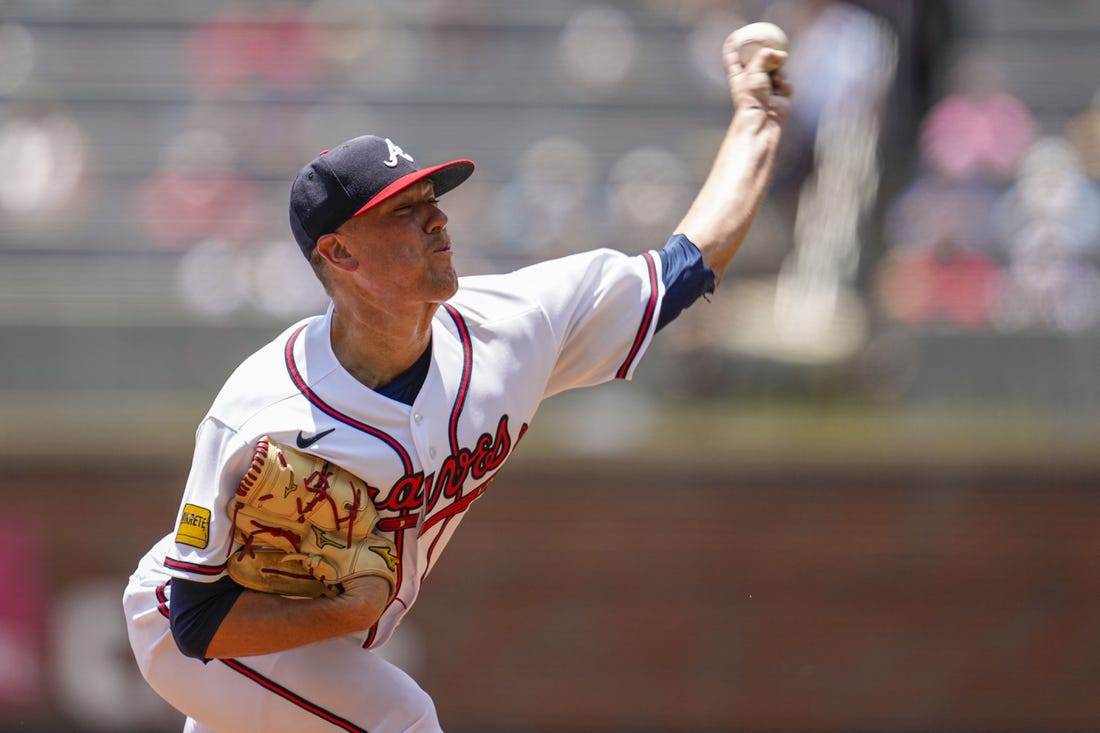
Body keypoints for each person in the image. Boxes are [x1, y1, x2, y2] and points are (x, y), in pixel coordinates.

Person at [123, 28, 792, 733]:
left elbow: (684, 268)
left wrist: (757, 119)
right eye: (404, 212)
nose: (439, 219)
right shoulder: (262, 410)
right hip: (187, 629)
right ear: (339, 251)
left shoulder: (515, 324)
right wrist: (351, 606)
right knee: (401, 717)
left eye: (432, 199)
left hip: (313, 643)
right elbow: (196, 619)